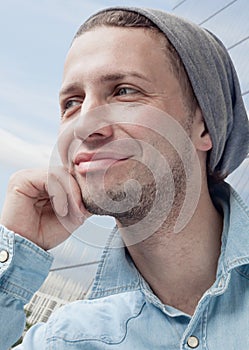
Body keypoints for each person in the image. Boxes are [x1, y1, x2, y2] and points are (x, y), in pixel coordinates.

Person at [0, 6, 249, 350]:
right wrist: (15, 253)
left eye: (124, 91)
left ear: (203, 125)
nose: (85, 126)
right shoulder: (66, 340)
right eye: (72, 102)